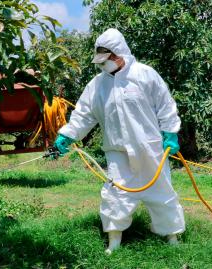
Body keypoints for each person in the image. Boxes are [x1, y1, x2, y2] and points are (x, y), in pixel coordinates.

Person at [53, 28, 185, 254]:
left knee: (162, 192)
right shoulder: (97, 85)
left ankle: (172, 238)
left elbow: (166, 106)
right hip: (117, 152)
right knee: (115, 195)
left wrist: (171, 133)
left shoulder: (145, 75)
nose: (104, 65)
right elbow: (84, 114)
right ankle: (114, 242)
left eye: (107, 59)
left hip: (151, 149)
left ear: (119, 53)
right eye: (101, 61)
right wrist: (68, 135)